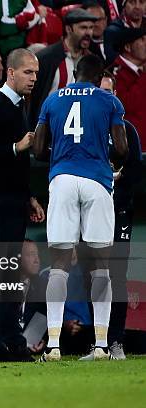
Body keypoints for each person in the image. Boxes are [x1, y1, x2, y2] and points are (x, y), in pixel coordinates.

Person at [33, 54, 128, 362]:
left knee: (59, 264)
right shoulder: (109, 101)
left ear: (74, 73)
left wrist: (63, 153)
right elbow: (124, 149)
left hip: (61, 179)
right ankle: (101, 345)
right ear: (100, 75)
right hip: (97, 181)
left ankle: (54, 345)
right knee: (101, 265)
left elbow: (37, 150)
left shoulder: (52, 100)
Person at [0, 48, 45, 363]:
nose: (33, 79)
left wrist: (28, 195)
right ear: (10, 73)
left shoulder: (17, 105)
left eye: (36, 74)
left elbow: (15, 163)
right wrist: (17, 146)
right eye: (28, 72)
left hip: (11, 197)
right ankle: (11, 342)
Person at [97, 73, 142, 360]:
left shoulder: (126, 129)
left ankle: (116, 341)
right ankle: (98, 342)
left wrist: (118, 179)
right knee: (93, 277)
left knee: (117, 277)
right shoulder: (86, 128)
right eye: (100, 91)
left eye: (109, 92)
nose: (106, 97)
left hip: (119, 211)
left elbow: (136, 169)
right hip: (91, 213)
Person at [27, 9, 98, 129]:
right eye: (83, 28)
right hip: (50, 129)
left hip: (82, 130)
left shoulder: (93, 62)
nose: (88, 33)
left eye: (91, 28)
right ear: (69, 29)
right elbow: (32, 99)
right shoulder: (46, 58)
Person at [108, 28, 146, 149]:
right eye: (142, 39)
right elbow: (127, 105)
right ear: (128, 47)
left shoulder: (141, 71)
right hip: (131, 148)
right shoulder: (113, 75)